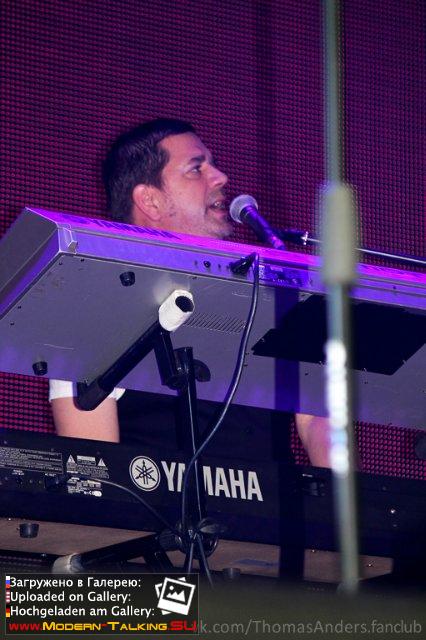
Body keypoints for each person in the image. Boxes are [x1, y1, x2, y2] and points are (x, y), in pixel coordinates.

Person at [50, 118, 330, 467]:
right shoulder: (94, 308)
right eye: (196, 168)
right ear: (150, 201)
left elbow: (319, 420)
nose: (221, 177)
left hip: (275, 503)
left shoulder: (266, 295)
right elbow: (93, 468)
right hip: (155, 501)